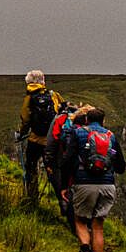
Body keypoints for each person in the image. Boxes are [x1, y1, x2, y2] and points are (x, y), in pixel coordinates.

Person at [70, 106, 126, 252]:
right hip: (107, 185)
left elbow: (68, 159)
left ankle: (85, 251)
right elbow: (121, 166)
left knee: (79, 220)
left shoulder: (79, 134)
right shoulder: (111, 137)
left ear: (86, 120)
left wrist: (67, 182)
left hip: (84, 184)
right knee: (98, 226)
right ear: (103, 121)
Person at [18, 71, 63, 207]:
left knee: (31, 166)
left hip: (35, 139)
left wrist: (21, 133)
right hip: (52, 141)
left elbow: (25, 118)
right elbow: (62, 113)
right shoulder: (53, 95)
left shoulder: (29, 98)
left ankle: (32, 199)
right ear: (43, 81)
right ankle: (63, 201)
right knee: (54, 170)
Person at [45, 98, 82, 236]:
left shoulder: (59, 119)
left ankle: (73, 226)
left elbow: (52, 141)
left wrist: (48, 162)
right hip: (80, 163)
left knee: (64, 191)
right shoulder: (82, 118)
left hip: (60, 161)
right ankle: (84, 227)